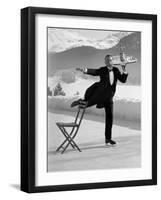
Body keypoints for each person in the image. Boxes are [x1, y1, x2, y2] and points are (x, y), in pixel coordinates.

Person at [71, 54, 128, 146]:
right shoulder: (102, 70)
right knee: (87, 103)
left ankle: (108, 139)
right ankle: (80, 101)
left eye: (110, 60)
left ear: (112, 61)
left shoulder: (116, 70)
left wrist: (124, 69)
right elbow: (94, 71)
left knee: (110, 119)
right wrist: (85, 70)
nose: (109, 62)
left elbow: (123, 80)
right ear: (105, 62)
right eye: (107, 60)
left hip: (109, 99)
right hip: (100, 96)